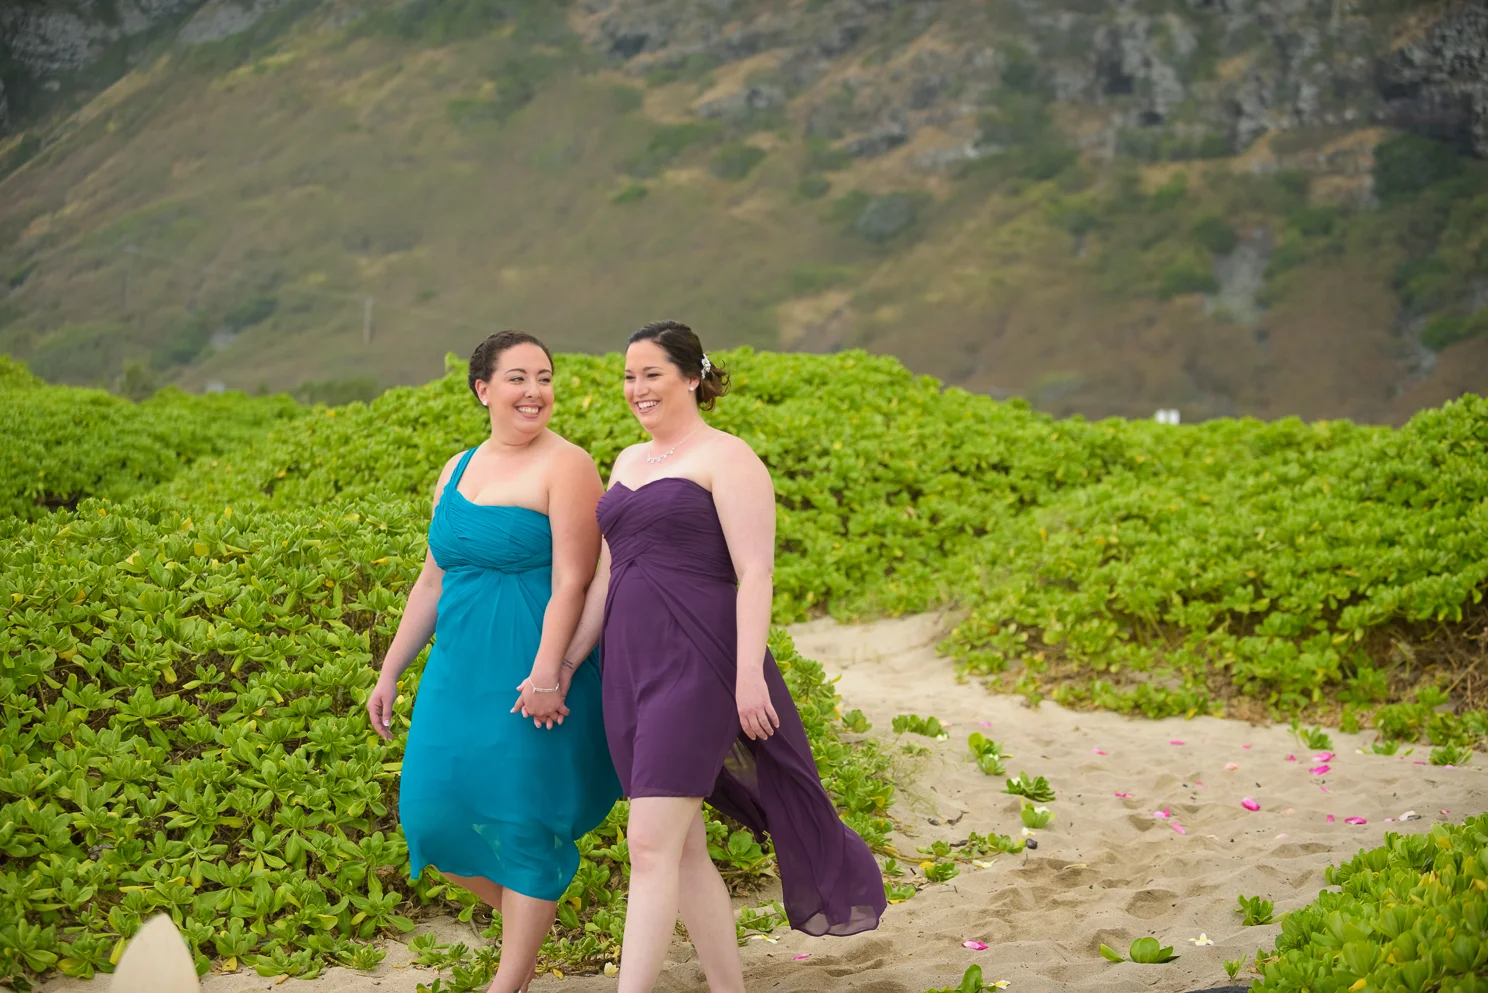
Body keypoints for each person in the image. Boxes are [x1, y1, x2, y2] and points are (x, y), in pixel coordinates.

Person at [562, 321, 885, 993]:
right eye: (628, 375)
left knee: (648, 842)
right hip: (629, 666)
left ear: (689, 376)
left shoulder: (728, 456)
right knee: (681, 845)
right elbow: (604, 576)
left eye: (651, 373)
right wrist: (567, 662)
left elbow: (756, 574)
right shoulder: (625, 461)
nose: (636, 388)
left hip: (699, 662)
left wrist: (745, 676)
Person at [366, 331, 621, 993]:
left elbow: (575, 579)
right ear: (483, 388)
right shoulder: (455, 467)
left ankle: (510, 980)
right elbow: (431, 580)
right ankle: (528, 919)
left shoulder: (569, 464)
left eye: (544, 376)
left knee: (524, 816)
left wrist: (548, 671)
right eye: (517, 377)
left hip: (532, 668)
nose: (534, 391)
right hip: (457, 669)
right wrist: (392, 668)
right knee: (430, 814)